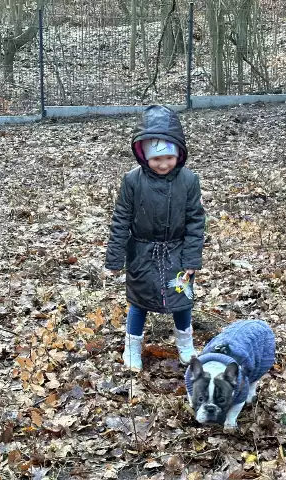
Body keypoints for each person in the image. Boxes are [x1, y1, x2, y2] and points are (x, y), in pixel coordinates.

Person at [105, 105, 205, 372]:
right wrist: (115, 257)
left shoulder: (188, 180)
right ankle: (132, 348)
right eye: (156, 159)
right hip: (141, 252)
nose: (163, 164)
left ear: (179, 153)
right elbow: (121, 220)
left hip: (179, 252)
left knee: (182, 300)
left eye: (169, 158)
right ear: (143, 154)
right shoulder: (132, 181)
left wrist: (192, 257)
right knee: (139, 302)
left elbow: (196, 220)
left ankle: (185, 346)